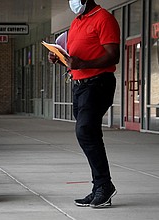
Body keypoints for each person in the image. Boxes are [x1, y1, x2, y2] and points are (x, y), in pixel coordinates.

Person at [48, 0, 120, 208]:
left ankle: (104, 186)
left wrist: (84, 64)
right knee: (90, 134)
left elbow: (112, 55)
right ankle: (100, 186)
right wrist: (59, 57)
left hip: (98, 83)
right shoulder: (77, 21)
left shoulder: (104, 18)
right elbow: (75, 56)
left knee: (85, 131)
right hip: (79, 85)